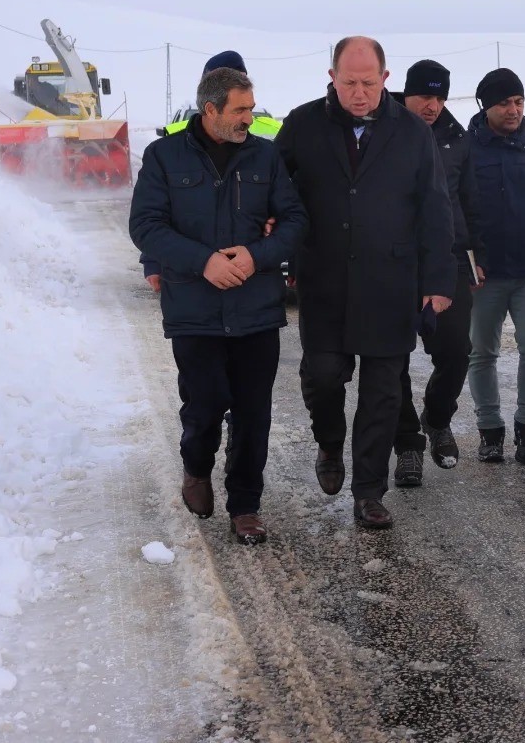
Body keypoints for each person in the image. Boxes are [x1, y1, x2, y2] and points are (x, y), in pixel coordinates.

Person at [276, 37, 454, 530]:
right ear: (331, 77)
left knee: (382, 394)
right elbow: (273, 186)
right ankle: (330, 442)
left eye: (369, 83)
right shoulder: (302, 125)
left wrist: (438, 278)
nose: (359, 93)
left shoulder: (412, 133)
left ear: (386, 79)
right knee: (325, 376)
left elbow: (435, 208)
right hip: (326, 279)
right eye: (349, 82)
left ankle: (369, 493)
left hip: (390, 282)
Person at [129, 66, 307, 545]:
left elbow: (293, 220)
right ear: (210, 110)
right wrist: (202, 261)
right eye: (241, 110)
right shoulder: (164, 157)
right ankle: (196, 469)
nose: (249, 117)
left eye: (251, 107)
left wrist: (257, 255)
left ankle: (246, 505)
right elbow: (145, 225)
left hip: (256, 310)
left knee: (254, 412)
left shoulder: (265, 158)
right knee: (204, 405)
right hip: (195, 311)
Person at [391, 59, 484, 487]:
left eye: (440, 96)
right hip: (390, 262)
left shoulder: (456, 139)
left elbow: (468, 200)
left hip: (445, 259)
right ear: (406, 93)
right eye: (425, 96)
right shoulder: (383, 130)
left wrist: (474, 253)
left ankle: (437, 415)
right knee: (390, 361)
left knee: (455, 350)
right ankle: (408, 445)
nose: (433, 105)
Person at [466, 68, 525, 464]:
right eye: (504, 103)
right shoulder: (467, 149)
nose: (513, 110)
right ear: (486, 105)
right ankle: (490, 431)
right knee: (482, 352)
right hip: (484, 274)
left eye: (518, 101)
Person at [143, 51, 280, 292]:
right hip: (191, 283)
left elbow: (290, 201)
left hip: (255, 284)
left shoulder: (269, 139)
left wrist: (275, 222)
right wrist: (153, 261)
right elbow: (154, 215)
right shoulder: (172, 145)